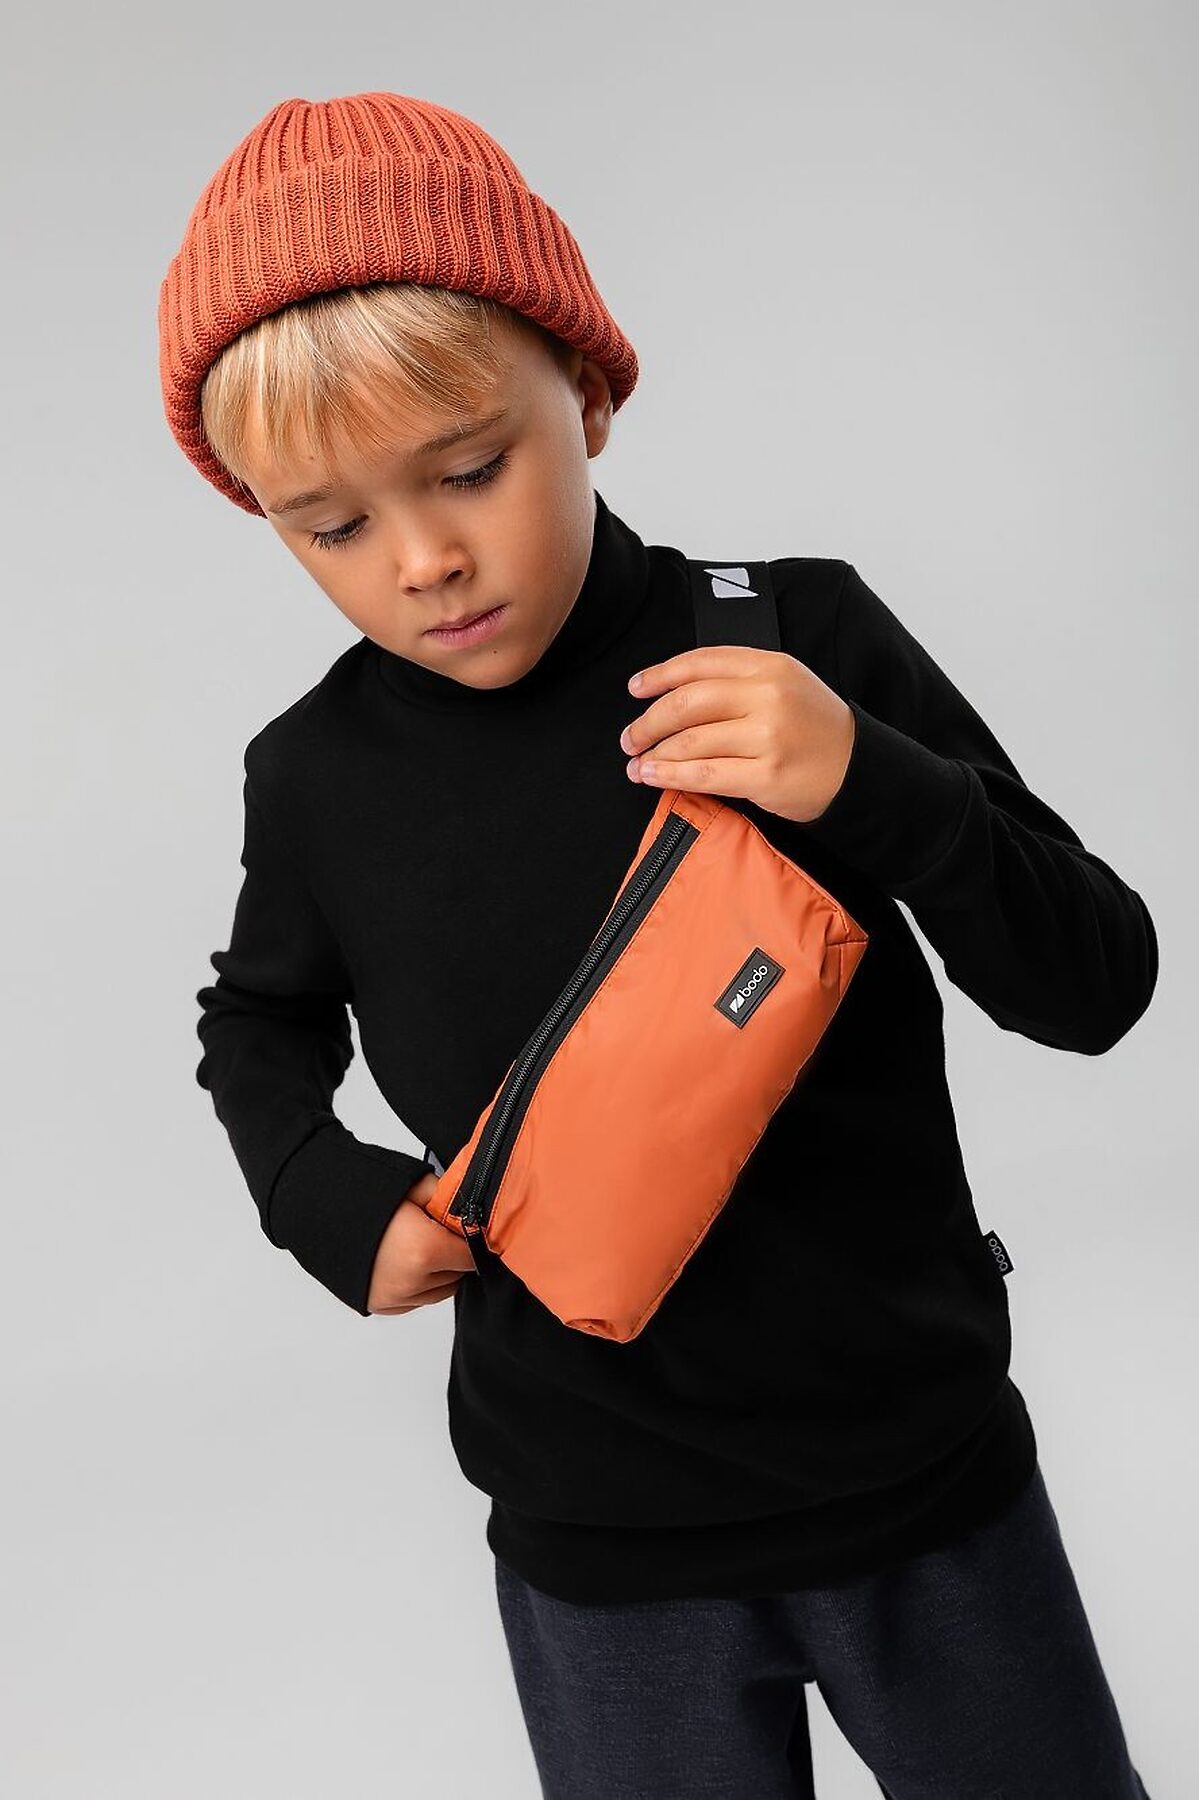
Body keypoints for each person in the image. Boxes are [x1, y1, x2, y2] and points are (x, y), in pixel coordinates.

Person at [160, 89, 1158, 1799]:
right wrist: (321, 1196)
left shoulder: (795, 639)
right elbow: (255, 1022)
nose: (426, 561)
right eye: (331, 524)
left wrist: (874, 780)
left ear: (592, 393)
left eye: (471, 468)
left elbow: (1096, 984)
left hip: (927, 1487)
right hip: (596, 1546)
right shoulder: (314, 775)